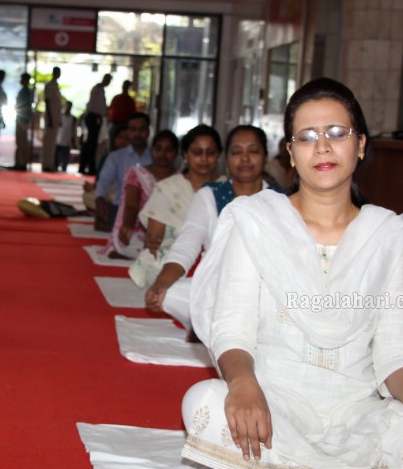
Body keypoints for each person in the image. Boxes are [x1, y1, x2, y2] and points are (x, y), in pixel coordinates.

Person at [182, 78, 403, 469]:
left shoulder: (389, 234)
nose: (323, 147)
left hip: (356, 410)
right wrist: (242, 384)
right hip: (272, 403)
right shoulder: (255, 220)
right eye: (307, 137)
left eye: (337, 133)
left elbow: (399, 348)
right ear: (291, 154)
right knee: (202, 403)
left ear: (361, 145)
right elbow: (231, 327)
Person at [145, 125, 280, 326]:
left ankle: (209, 327)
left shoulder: (280, 199)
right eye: (236, 152)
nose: (245, 158)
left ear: (265, 157)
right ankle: (219, 327)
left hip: (265, 291)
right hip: (218, 287)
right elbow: (187, 244)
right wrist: (161, 283)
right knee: (169, 294)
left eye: (253, 151)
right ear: (227, 159)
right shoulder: (210, 195)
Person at [129, 124, 222, 288]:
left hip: (215, 261)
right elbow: (155, 240)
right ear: (185, 154)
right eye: (197, 152)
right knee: (155, 263)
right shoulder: (169, 188)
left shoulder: (225, 188)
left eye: (211, 152)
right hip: (174, 259)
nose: (204, 159)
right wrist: (153, 242)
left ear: (219, 156)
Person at [104, 130, 177, 259]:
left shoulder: (181, 178)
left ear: (177, 153)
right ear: (152, 150)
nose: (162, 154)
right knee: (129, 242)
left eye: (169, 150)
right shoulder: (137, 174)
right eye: (158, 149)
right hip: (139, 230)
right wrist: (127, 227)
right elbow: (131, 205)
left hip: (170, 232)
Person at [93, 112, 150, 230]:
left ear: (148, 131)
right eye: (133, 129)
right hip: (120, 208)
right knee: (104, 212)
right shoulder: (116, 157)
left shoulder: (156, 157)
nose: (137, 133)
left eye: (142, 129)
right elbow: (104, 180)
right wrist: (99, 199)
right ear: (128, 131)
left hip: (150, 210)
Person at [80, 73, 111, 174]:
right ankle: (86, 166)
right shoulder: (97, 88)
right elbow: (95, 105)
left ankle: (89, 166)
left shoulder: (101, 90)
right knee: (90, 144)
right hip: (93, 118)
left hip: (97, 118)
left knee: (92, 144)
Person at [41, 67, 62, 172]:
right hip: (51, 118)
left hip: (55, 118)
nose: (58, 74)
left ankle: (50, 164)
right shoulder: (49, 85)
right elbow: (48, 102)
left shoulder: (57, 86)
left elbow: (58, 105)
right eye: (57, 72)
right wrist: (50, 118)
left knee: (52, 143)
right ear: (53, 73)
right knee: (48, 142)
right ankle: (45, 164)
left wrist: (59, 119)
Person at [107, 80, 136, 148]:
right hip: (116, 124)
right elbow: (111, 111)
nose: (125, 87)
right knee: (113, 145)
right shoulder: (117, 98)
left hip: (125, 125)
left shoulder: (130, 100)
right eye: (124, 86)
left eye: (126, 86)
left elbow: (132, 114)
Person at [14, 72, 33, 171]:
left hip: (22, 120)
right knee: (21, 142)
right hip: (22, 119)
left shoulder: (25, 92)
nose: (20, 81)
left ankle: (21, 163)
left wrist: (24, 120)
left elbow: (24, 107)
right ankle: (21, 162)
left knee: (21, 142)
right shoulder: (25, 91)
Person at [56, 101, 76, 173]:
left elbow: (73, 130)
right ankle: (56, 165)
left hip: (67, 139)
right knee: (57, 154)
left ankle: (64, 166)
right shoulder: (60, 116)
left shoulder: (73, 118)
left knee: (65, 154)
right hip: (59, 139)